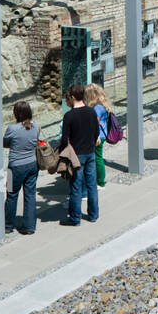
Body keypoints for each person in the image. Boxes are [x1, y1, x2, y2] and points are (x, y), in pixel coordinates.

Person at [57, 84, 100, 225]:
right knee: (92, 185)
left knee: (76, 186)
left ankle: (75, 218)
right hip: (90, 153)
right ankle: (93, 214)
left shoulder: (69, 116)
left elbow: (64, 140)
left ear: (73, 97)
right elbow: (96, 133)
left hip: (76, 155)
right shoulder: (91, 112)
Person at [3, 101, 40, 235]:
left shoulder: (12, 129)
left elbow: (5, 143)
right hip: (32, 164)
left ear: (16, 113)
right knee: (30, 194)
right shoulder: (36, 126)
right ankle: (29, 226)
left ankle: (7, 225)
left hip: (15, 166)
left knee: (12, 195)